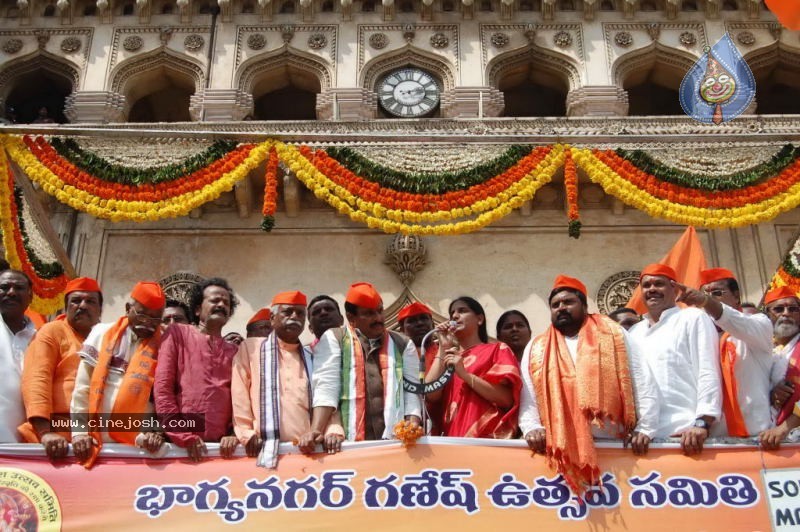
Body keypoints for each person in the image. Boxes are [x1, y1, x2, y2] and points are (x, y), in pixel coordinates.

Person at [519, 275, 658, 493]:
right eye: (555, 305)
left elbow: (641, 377)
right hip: (563, 447)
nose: (561, 308)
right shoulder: (537, 346)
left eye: (568, 302)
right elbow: (528, 393)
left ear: (584, 305)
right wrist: (532, 427)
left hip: (616, 446)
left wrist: (646, 427)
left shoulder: (613, 333)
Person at [232, 291, 344, 467]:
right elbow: (239, 394)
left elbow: (326, 393)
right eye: (288, 312)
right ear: (272, 318)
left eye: (300, 313)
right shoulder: (251, 348)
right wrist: (246, 433)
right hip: (262, 448)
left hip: (309, 451)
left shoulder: (312, 355)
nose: (295, 317)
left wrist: (333, 430)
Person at [305, 282, 421, 445]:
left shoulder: (402, 343)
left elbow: (412, 390)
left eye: (380, 311)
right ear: (351, 318)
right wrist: (316, 430)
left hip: (396, 439)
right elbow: (326, 387)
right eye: (369, 313)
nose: (378, 318)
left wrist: (413, 422)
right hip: (346, 441)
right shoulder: (335, 338)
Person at [70, 282, 167, 468]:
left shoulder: (164, 342)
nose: (148, 323)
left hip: (141, 444)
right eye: (142, 314)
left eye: (155, 319)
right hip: (96, 440)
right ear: (128, 308)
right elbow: (82, 389)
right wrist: (79, 432)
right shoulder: (102, 333)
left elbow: (163, 397)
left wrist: (157, 432)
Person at [628, 264, 721, 455]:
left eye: (659, 284)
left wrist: (702, 422)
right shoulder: (635, 332)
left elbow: (707, 370)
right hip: (644, 436)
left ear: (674, 288)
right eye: (646, 286)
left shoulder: (692, 318)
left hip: (686, 433)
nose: (652, 289)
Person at [672, 268, 774, 437]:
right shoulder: (698, 336)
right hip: (710, 438)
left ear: (736, 296)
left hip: (756, 435)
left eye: (717, 293)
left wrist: (705, 301)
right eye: (705, 293)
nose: (710, 298)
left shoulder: (758, 325)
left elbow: (732, 320)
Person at [154, 277, 240, 462]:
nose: (221, 305)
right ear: (198, 309)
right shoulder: (177, 333)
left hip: (222, 449)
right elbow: (163, 389)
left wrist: (234, 433)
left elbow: (240, 399)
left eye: (226, 302)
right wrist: (182, 436)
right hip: (180, 447)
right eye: (215, 300)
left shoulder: (234, 351)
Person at [19, 277, 103, 460]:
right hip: (56, 437)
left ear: (100, 310)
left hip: (98, 438)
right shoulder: (52, 331)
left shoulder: (107, 338)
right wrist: (46, 432)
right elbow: (37, 379)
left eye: (90, 301)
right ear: (66, 307)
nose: (82, 306)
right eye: (76, 301)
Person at [425, 296, 522, 438]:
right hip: (452, 442)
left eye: (462, 311)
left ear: (480, 319)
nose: (455, 316)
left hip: (486, 441)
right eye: (452, 313)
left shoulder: (497, 349)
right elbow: (430, 394)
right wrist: (443, 347)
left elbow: (507, 399)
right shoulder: (448, 357)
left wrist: (465, 375)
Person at [0, 270, 36, 442]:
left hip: (25, 450)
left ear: (31, 297)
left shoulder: (42, 337)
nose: (11, 292)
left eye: (19, 288)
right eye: (4, 287)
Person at [764, 286, 800, 430]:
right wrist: (772, 396)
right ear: (767, 315)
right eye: (779, 309)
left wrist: (783, 429)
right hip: (767, 434)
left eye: (793, 309)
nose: (786, 314)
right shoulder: (762, 349)